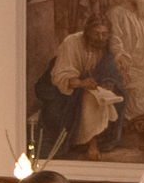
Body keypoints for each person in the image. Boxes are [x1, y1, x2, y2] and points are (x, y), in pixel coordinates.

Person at [37, 14, 126, 159]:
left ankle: (98, 137)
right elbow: (61, 77)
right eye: (96, 33)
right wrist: (81, 83)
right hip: (62, 89)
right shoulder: (71, 43)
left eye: (104, 34)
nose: (100, 38)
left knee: (113, 95)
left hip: (91, 86)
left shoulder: (105, 47)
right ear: (87, 31)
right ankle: (92, 144)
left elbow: (110, 72)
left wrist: (109, 83)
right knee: (86, 99)